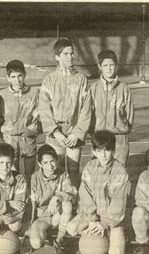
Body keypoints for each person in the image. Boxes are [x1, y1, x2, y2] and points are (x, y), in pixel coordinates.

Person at [66, 130, 130, 254]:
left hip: (112, 218)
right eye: (100, 151)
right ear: (94, 151)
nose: (104, 155)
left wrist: (105, 223)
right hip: (94, 215)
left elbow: (118, 204)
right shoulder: (90, 167)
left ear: (113, 151)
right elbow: (85, 195)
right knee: (71, 228)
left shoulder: (120, 172)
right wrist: (92, 220)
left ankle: (118, 233)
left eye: (107, 150)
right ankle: (99, 235)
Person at [38, 38, 91, 189]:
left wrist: (77, 133)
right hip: (56, 134)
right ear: (57, 57)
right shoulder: (49, 80)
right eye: (66, 54)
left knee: (74, 169)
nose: (70, 57)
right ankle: (57, 204)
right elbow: (44, 110)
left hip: (74, 133)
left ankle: (75, 201)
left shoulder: (81, 79)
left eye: (71, 53)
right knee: (56, 169)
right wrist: (56, 133)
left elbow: (86, 110)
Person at [29, 144, 77, 254]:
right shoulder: (35, 178)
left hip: (58, 215)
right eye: (45, 163)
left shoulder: (63, 175)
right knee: (36, 243)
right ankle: (45, 234)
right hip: (43, 216)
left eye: (52, 161)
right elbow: (32, 204)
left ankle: (59, 241)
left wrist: (57, 197)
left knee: (67, 204)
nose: (50, 166)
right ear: (40, 164)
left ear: (56, 160)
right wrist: (31, 225)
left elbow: (72, 194)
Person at [89, 49, 134, 166]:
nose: (109, 68)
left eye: (112, 65)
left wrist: (122, 128)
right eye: (105, 65)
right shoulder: (93, 89)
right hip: (99, 139)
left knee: (119, 173)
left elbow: (129, 116)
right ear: (99, 67)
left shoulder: (124, 88)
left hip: (119, 139)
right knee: (99, 175)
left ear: (116, 66)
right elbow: (88, 114)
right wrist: (93, 133)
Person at [0, 59, 40, 183]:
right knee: (11, 175)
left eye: (20, 76)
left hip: (28, 139)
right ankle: (13, 200)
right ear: (8, 78)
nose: (17, 80)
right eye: (13, 77)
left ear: (24, 75)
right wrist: (5, 132)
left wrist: (30, 130)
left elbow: (39, 115)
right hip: (10, 140)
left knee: (29, 175)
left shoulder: (34, 93)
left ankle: (29, 200)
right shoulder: (2, 95)